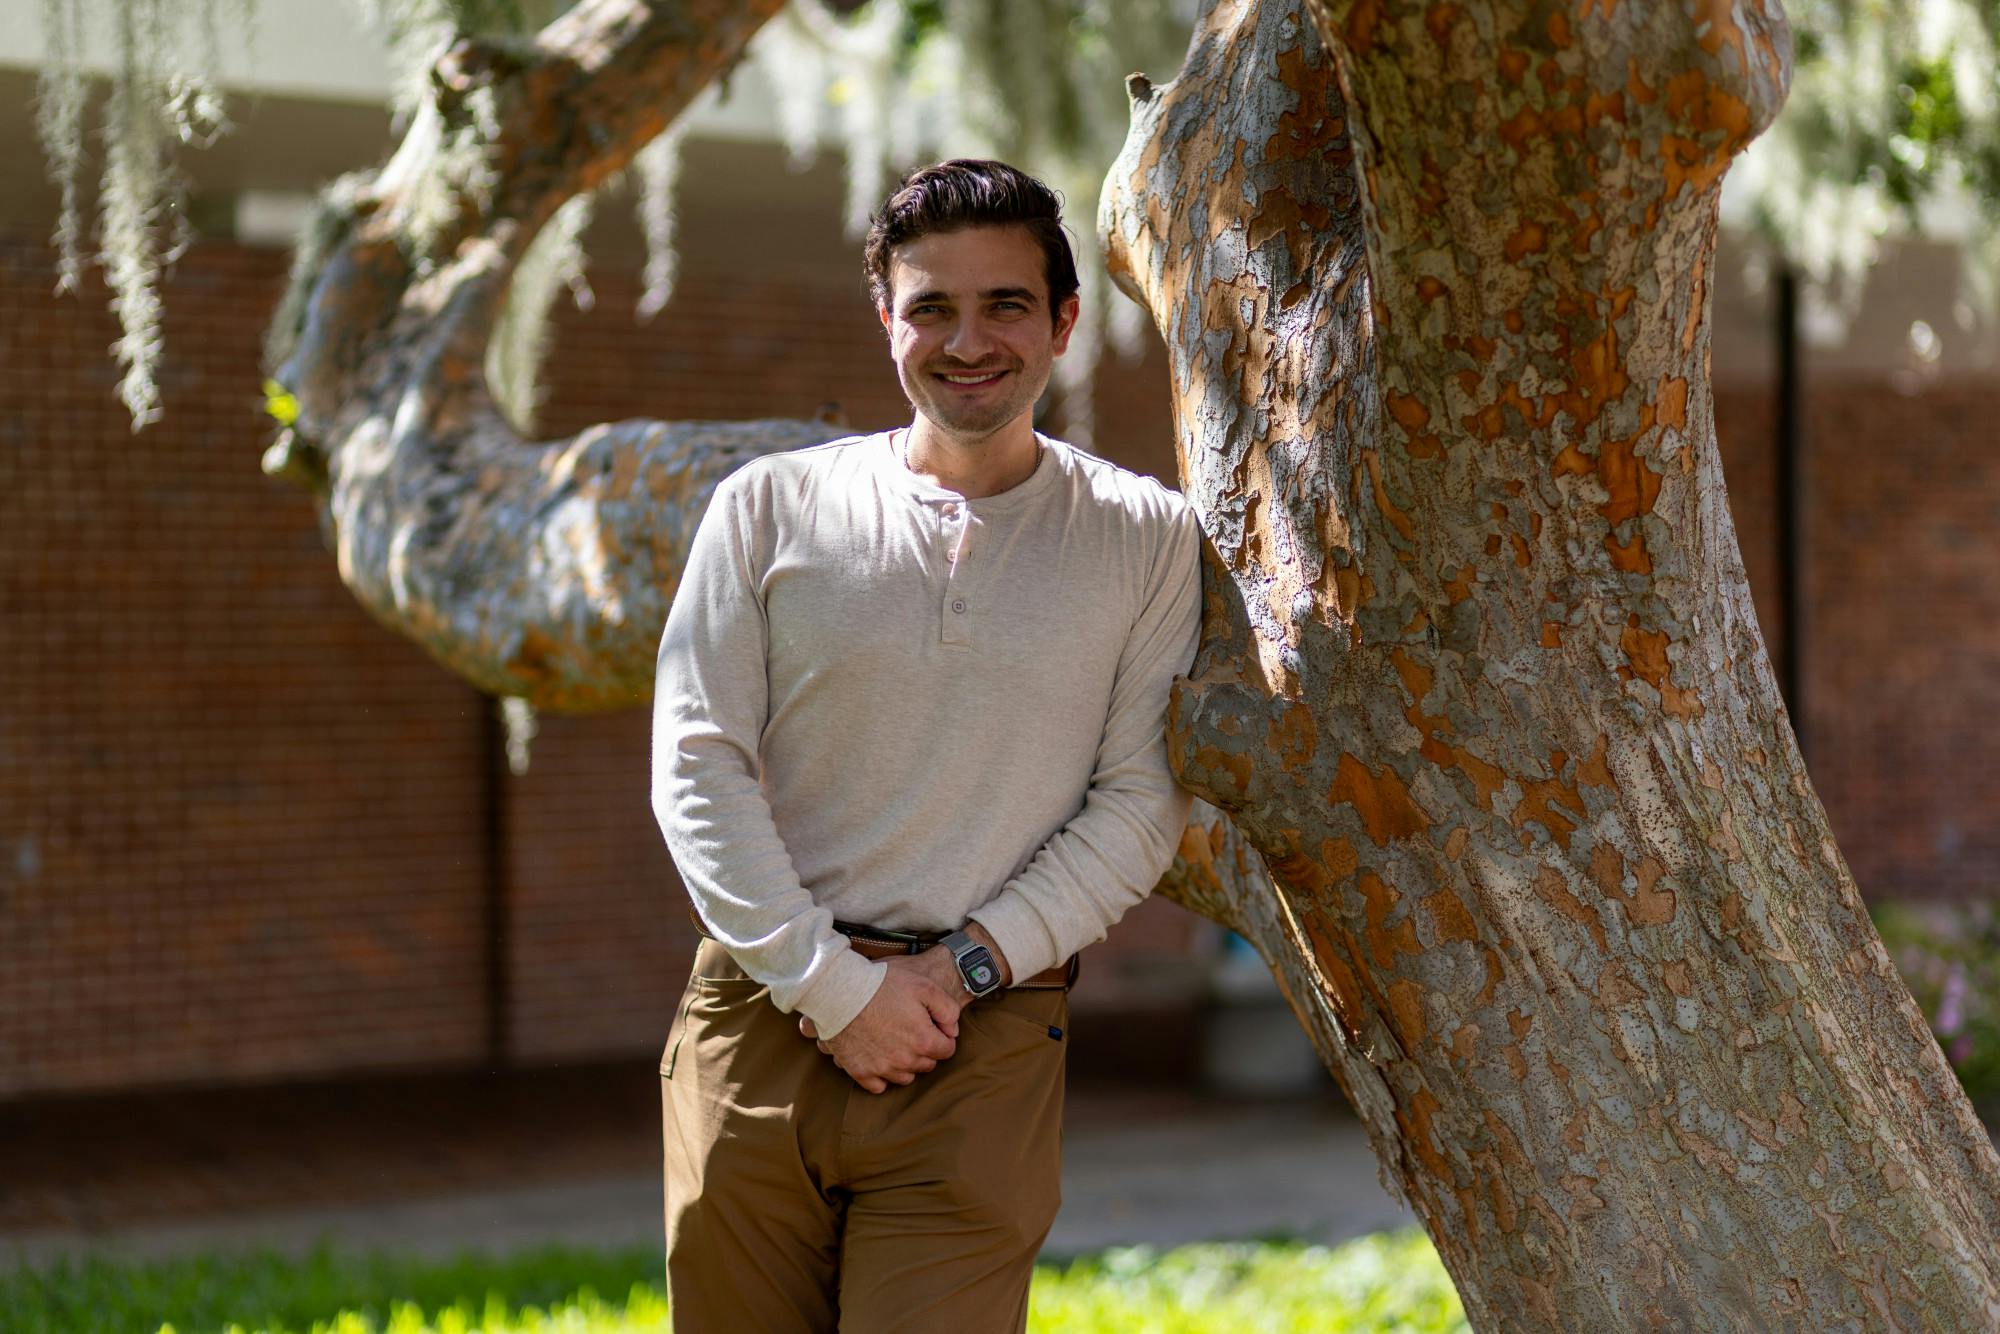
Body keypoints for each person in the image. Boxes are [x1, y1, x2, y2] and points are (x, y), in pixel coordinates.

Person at [650, 157, 1201, 1332]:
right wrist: (829, 985)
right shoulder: (763, 507)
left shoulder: (1145, 538)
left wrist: (950, 977)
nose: (967, 341)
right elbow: (696, 765)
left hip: (982, 1033)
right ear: (885, 318)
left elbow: (1138, 801)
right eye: (931, 307)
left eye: (1004, 303)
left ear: (1060, 321)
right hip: (758, 1013)